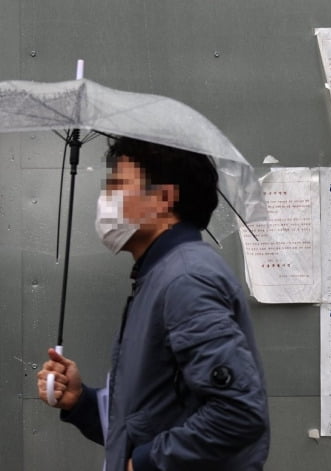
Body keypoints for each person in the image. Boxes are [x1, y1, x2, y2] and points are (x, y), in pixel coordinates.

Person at [37, 137, 270, 471]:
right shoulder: (157, 277)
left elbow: (238, 413)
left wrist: (145, 463)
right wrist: (81, 403)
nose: (106, 199)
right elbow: (152, 418)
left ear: (162, 198)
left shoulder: (186, 279)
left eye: (118, 185)